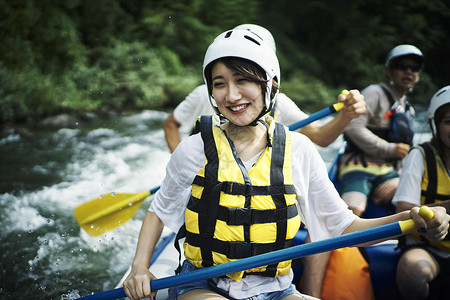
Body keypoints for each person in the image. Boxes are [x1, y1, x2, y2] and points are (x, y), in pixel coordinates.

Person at [123, 30, 448, 300]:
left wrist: (409, 218)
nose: (231, 94)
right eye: (219, 83)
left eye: (242, 80)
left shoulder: (299, 150)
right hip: (203, 284)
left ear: (270, 84)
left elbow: (346, 228)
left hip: (276, 289)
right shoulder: (193, 149)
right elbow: (159, 212)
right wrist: (140, 267)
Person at [163, 24, 366, 153]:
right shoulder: (204, 94)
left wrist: (346, 116)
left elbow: (320, 137)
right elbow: (171, 124)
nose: (232, 96)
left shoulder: (281, 104)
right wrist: (181, 161)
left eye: (245, 78)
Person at [338, 44, 425, 217]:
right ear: (389, 71)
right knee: (355, 208)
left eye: (414, 68)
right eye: (401, 67)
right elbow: (353, 127)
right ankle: (342, 243)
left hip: (387, 171)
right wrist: (391, 149)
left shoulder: (407, 108)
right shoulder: (374, 93)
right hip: (358, 166)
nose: (408, 72)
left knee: (410, 200)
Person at [392, 85, 450, 300]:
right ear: (435, 125)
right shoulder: (420, 156)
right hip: (428, 249)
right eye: (449, 122)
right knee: (412, 269)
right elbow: (404, 209)